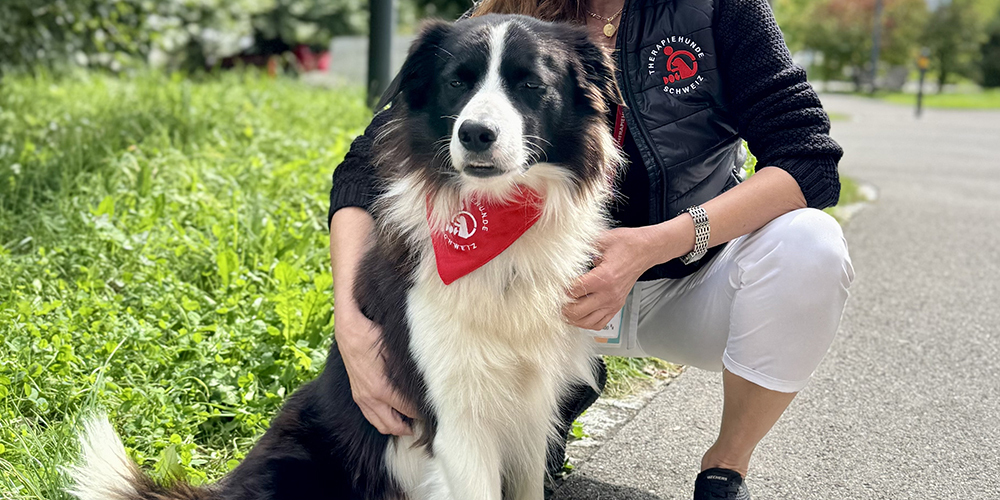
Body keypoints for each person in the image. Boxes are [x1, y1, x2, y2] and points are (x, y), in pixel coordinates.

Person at [327, 0, 855, 498]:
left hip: (687, 283)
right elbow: (362, 171)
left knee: (810, 245)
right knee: (496, 458)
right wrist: (351, 323)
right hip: (549, 294)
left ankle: (725, 466)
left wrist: (656, 243)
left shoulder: (719, 7)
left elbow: (808, 157)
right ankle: (546, 409)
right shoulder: (503, 15)